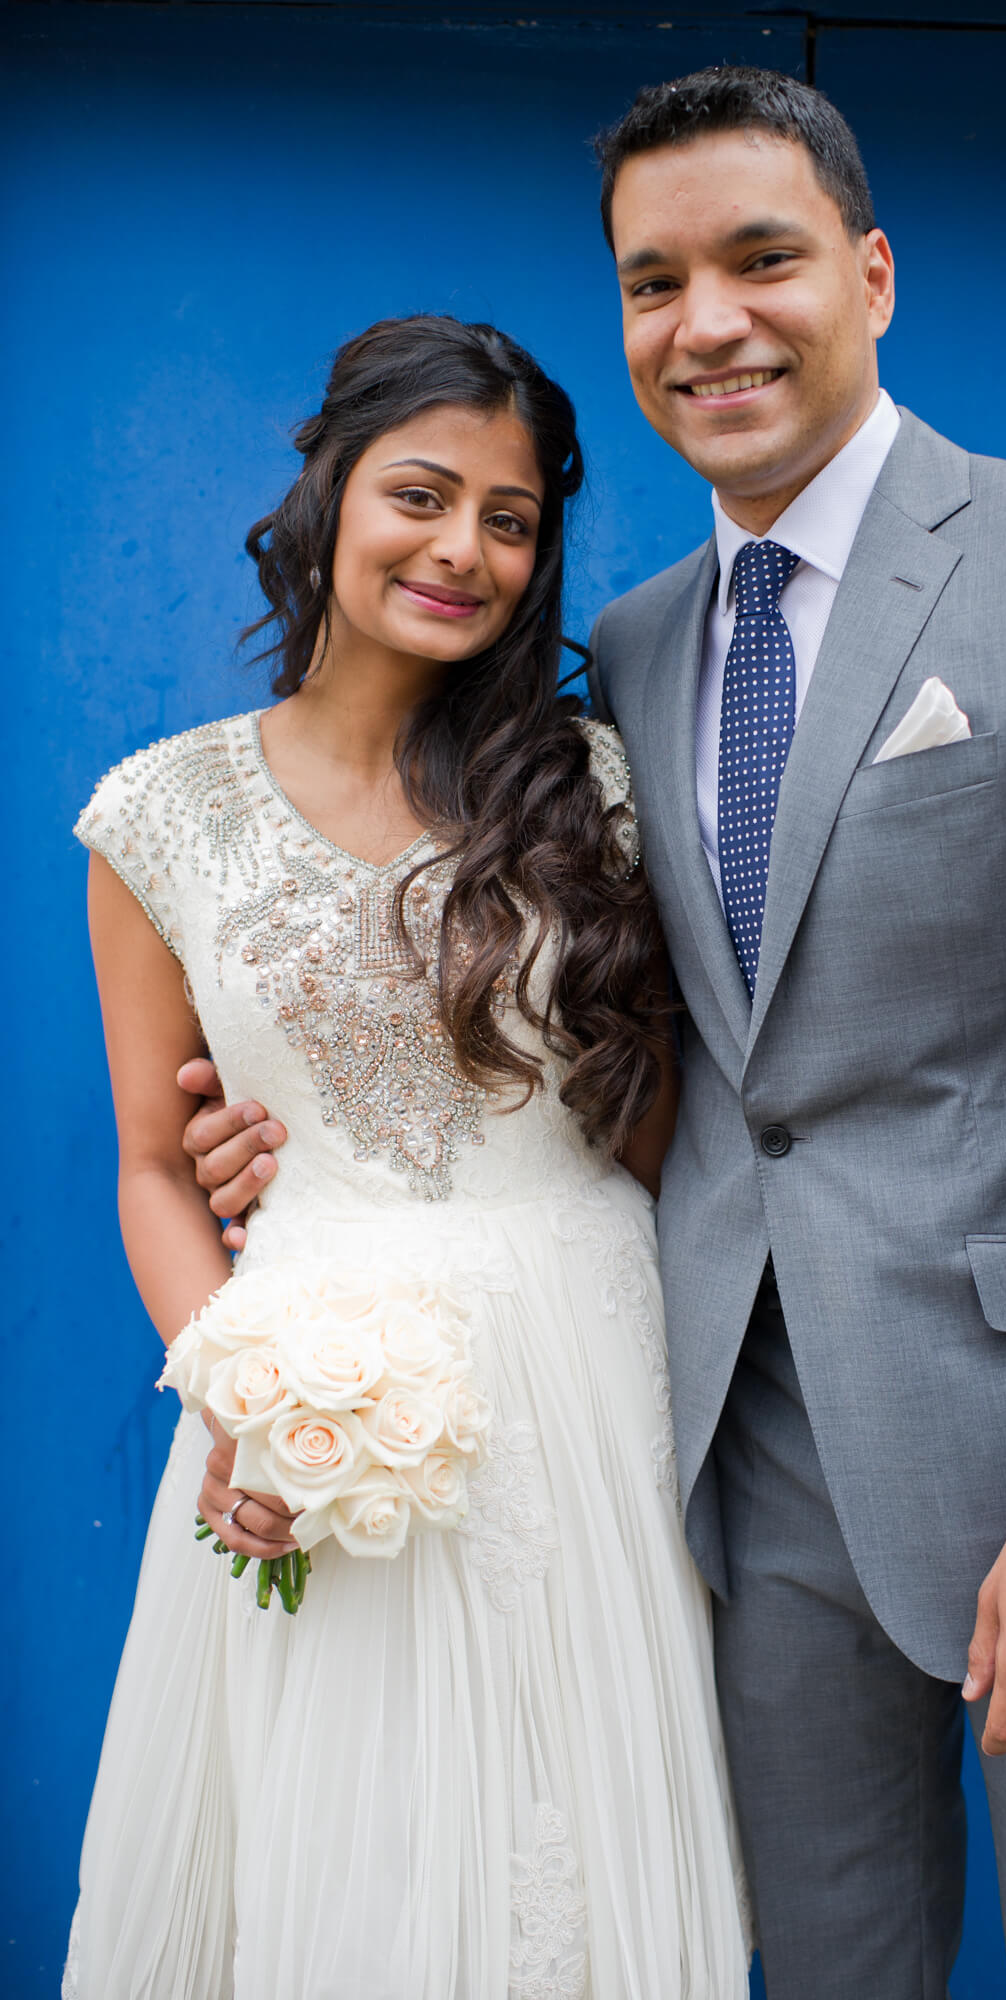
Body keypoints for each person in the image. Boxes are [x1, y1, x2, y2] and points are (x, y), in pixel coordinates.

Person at [185, 69, 1006, 2000]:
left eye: (760, 259)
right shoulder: (625, 645)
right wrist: (289, 1124)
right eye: (653, 281)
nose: (706, 321)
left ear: (868, 272)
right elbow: (613, 1021)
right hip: (743, 1464)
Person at [66, 312, 750, 1999]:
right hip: (312, 1380)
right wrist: (235, 1386)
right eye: (422, 496)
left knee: (571, 1847)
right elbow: (159, 1162)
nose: (463, 551)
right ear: (327, 490)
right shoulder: (157, 812)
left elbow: (668, 1109)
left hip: (590, 1360)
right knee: (345, 1856)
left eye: (509, 522)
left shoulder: (589, 783)